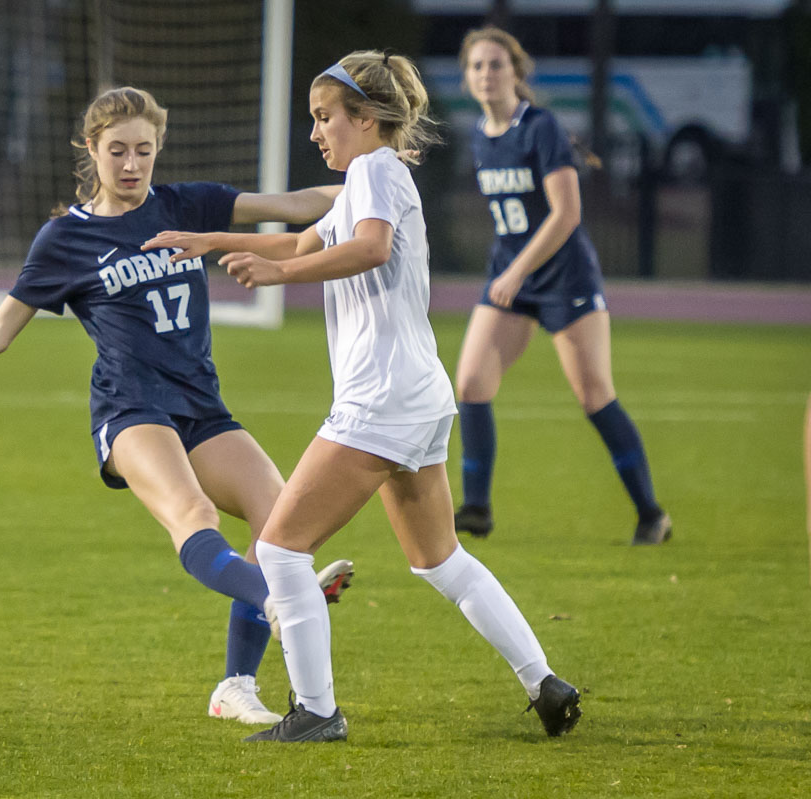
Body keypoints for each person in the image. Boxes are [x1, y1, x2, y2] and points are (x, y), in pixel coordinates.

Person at [0, 86, 355, 726]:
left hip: (201, 406)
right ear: (91, 150)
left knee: (277, 521)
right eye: (118, 151)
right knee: (193, 514)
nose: (132, 164)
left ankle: (235, 687)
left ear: (158, 148)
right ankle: (279, 603)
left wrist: (381, 175)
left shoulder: (186, 203)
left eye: (144, 150)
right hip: (130, 409)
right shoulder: (64, 238)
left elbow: (302, 203)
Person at [145, 50, 580, 742]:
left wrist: (276, 278)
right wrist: (209, 241)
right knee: (440, 559)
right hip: (416, 393)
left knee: (283, 549)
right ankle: (546, 682)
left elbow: (371, 249)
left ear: (368, 119)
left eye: (325, 118)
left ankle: (316, 710)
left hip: (379, 398)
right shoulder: (367, 180)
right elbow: (299, 242)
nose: (316, 132)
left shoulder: (376, 170)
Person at [451, 26, 672, 546]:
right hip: (512, 277)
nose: (487, 74)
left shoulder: (541, 127)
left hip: (563, 279)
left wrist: (517, 271)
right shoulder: (481, 134)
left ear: (516, 72)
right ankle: (476, 509)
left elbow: (567, 214)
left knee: (594, 396)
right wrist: (511, 273)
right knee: (471, 385)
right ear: (467, 78)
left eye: (496, 64)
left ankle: (651, 514)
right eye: (477, 66)